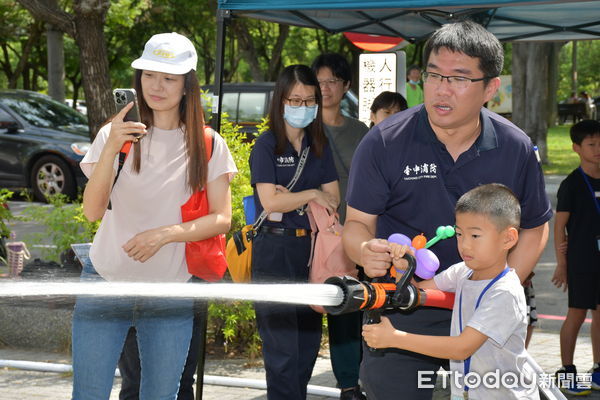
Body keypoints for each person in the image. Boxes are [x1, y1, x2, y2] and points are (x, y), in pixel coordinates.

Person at [343, 20, 552, 400]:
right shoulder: (384, 142)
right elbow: (357, 223)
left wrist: (494, 290)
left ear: (491, 87)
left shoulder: (514, 147)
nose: (442, 88)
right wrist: (363, 251)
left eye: (458, 78)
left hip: (484, 316)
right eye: (434, 75)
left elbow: (536, 227)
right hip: (404, 306)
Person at [74, 32, 237, 399]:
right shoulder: (114, 135)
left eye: (169, 77)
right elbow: (91, 211)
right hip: (104, 280)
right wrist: (114, 143)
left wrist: (165, 234)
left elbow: (221, 219)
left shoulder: (208, 143)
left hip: (169, 292)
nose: (156, 86)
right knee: (88, 393)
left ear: (187, 84)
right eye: (149, 75)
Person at [363, 183, 539, 400]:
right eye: (459, 234)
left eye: (475, 236)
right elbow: (415, 293)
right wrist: (402, 269)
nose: (464, 245)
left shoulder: (505, 293)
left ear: (508, 238)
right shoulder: (462, 271)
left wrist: (394, 338)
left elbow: (461, 348)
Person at [250, 64, 339, 400]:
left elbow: (335, 198)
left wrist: (301, 198)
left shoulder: (318, 143)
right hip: (274, 252)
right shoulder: (267, 144)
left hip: (311, 253)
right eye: (295, 100)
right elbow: (270, 201)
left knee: (306, 346)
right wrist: (312, 194)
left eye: (309, 100)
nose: (302, 107)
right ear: (281, 100)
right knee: (282, 350)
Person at [312, 53, 368, 400]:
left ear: (346, 86)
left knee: (356, 306)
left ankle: (362, 379)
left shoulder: (359, 130)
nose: (326, 89)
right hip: (319, 236)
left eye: (333, 81)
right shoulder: (303, 129)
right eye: (319, 82)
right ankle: (348, 383)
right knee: (336, 307)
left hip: (359, 232)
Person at [552, 119, 600, 396]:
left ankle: (597, 368)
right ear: (576, 148)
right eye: (592, 144)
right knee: (577, 313)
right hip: (582, 260)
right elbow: (560, 226)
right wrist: (562, 263)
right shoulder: (572, 184)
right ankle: (567, 370)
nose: (598, 149)